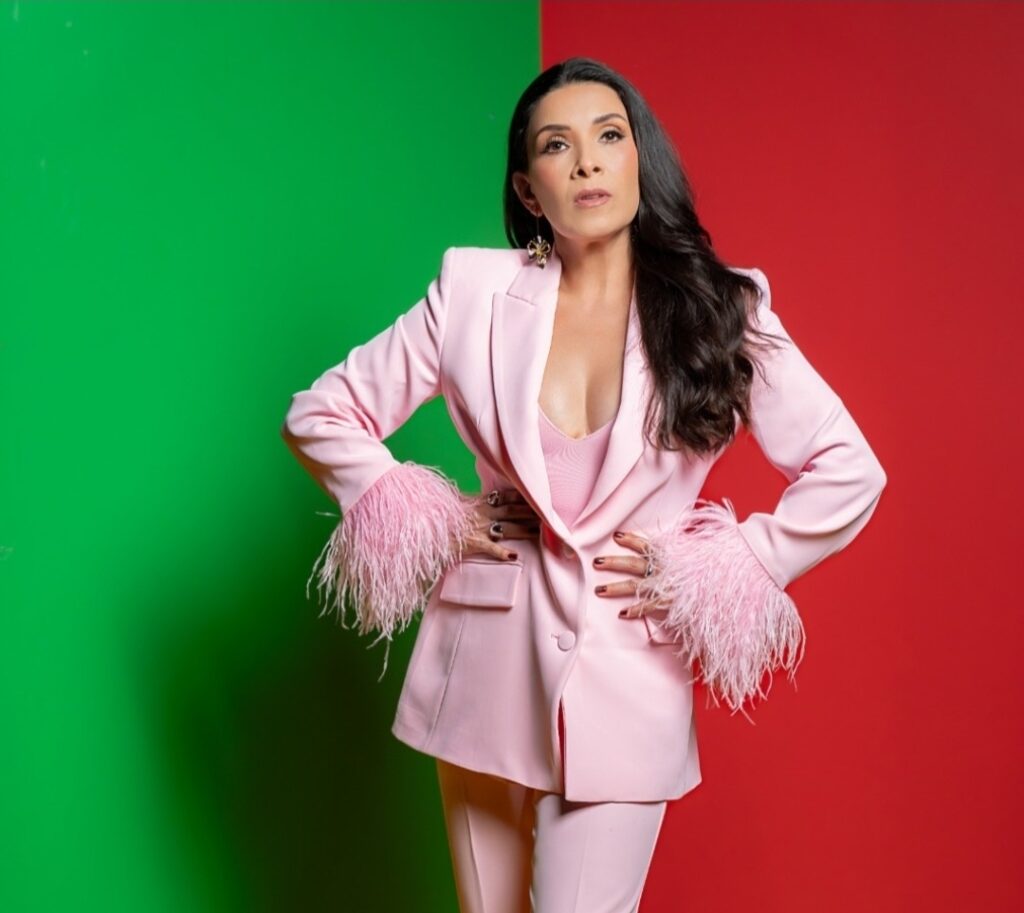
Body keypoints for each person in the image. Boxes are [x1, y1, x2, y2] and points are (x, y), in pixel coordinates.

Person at [280, 57, 887, 913]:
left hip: (627, 679)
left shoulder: (723, 309)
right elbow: (321, 412)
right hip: (482, 673)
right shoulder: (472, 294)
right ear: (529, 190)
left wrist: (737, 560)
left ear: (640, 160)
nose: (588, 161)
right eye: (557, 146)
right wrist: (435, 517)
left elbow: (849, 467)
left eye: (609, 136)